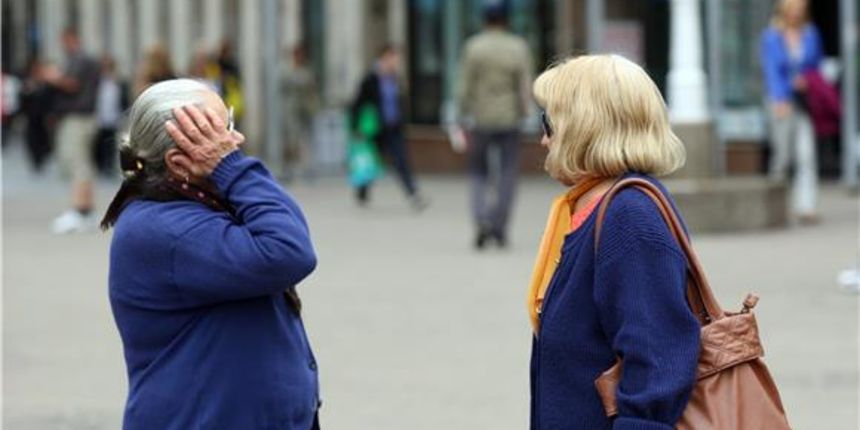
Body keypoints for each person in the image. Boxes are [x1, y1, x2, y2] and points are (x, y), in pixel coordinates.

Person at [101, 79, 321, 429]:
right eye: (222, 133)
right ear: (178, 162)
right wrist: (232, 169)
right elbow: (290, 250)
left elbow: (289, 230)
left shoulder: (199, 203)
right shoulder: (165, 228)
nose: (236, 143)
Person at [527, 55, 699, 429]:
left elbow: (657, 365)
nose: (543, 139)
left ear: (585, 127)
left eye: (550, 124)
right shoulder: (596, 207)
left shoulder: (629, 217)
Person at [457, 0, 532, 249]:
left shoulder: (474, 47)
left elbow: (465, 85)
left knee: (479, 172)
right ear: (506, 20)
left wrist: (461, 113)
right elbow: (524, 85)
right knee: (508, 174)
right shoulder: (517, 47)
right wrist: (525, 112)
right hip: (509, 119)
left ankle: (481, 220)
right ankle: (499, 225)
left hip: (481, 119)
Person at [760, 0, 823, 225]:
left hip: (804, 102)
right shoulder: (772, 36)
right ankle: (775, 208)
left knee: (806, 155)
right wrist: (780, 98)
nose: (797, 12)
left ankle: (806, 207)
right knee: (782, 157)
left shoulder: (811, 33)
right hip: (782, 102)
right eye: (794, 8)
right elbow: (771, 70)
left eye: (801, 8)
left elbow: (816, 65)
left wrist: (808, 81)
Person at [350, 44, 427, 210]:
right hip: (375, 130)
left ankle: (412, 193)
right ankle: (362, 190)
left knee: (401, 160)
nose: (395, 63)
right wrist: (356, 127)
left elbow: (399, 103)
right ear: (384, 58)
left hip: (393, 127)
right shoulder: (371, 79)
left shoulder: (394, 79)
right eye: (393, 59)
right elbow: (357, 104)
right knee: (371, 162)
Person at [43, 28, 102, 233]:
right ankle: (85, 209)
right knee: (81, 162)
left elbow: (73, 85)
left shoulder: (80, 60)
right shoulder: (85, 60)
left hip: (78, 117)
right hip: (82, 116)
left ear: (71, 39)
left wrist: (53, 78)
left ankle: (81, 210)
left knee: (77, 162)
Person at [281, 44, 319, 180]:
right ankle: (289, 169)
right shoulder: (287, 70)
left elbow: (312, 90)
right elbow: (283, 86)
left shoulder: (307, 71)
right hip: (291, 111)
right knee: (291, 141)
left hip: (305, 110)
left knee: (306, 140)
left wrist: (314, 107)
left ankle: (308, 169)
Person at [93, 55, 129, 176]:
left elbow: (124, 99)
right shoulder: (97, 81)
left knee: (111, 143)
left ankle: (109, 166)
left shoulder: (119, 81)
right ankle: (101, 166)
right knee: (99, 143)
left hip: (114, 118)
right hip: (99, 117)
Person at [20, 58, 55, 172]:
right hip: (31, 116)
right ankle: (36, 160)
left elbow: (50, 98)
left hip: (43, 116)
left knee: (44, 139)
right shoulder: (27, 82)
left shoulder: (46, 83)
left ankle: (41, 157)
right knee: (31, 139)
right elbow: (22, 100)